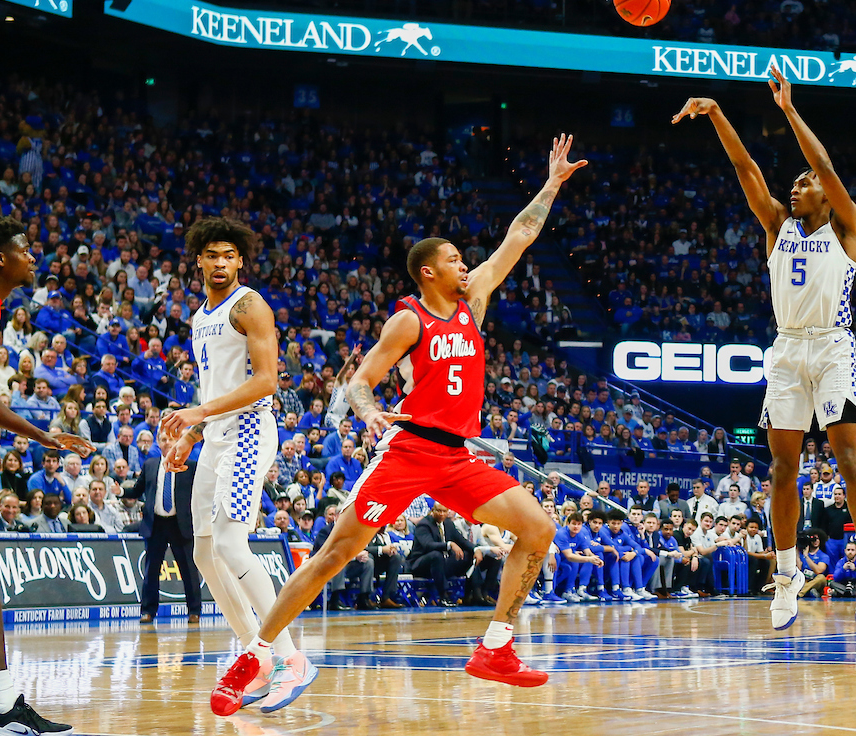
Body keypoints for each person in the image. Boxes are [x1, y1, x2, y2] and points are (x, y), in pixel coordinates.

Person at [212, 134, 587, 710]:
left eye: (466, 260)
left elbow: (520, 235)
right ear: (429, 273)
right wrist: (365, 412)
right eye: (456, 260)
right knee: (333, 555)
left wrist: (552, 183)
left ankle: (496, 647)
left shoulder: (475, 301)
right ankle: (260, 653)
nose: (467, 265)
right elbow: (360, 381)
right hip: (408, 452)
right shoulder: (408, 321)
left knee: (538, 529)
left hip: (458, 458)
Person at [673, 70, 856, 630]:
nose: (796, 187)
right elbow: (746, 168)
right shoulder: (776, 224)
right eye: (793, 181)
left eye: (804, 181)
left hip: (834, 349)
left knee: (847, 459)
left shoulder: (845, 228)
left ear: (823, 191)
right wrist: (718, 112)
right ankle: (787, 576)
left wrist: (790, 111)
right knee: (781, 468)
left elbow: (829, 169)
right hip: (787, 352)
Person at [161, 218, 307, 713]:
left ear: (240, 260)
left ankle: (289, 658)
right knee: (203, 552)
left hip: (248, 430)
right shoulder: (201, 314)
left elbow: (267, 381)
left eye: (228, 255)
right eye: (211, 255)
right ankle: (255, 653)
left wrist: (198, 415)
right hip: (216, 435)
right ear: (198, 260)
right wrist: (193, 432)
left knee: (228, 541)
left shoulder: (249, 305)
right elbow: (214, 388)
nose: (220, 263)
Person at [0, 217, 94, 734]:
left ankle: (1, 705)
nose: (33, 254)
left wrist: (42, 435)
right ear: (0, 257)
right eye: (24, 248)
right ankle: (0, 706)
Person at [124, 426, 200, 624]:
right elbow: (137, 490)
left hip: (180, 523)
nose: (166, 443)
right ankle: (148, 611)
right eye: (163, 439)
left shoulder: (190, 466)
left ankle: (194, 611)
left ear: (177, 441)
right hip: (155, 523)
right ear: (158, 442)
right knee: (150, 570)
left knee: (189, 570)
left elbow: (201, 495)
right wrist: (121, 491)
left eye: (170, 439)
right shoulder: (150, 464)